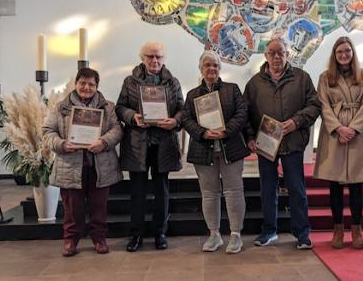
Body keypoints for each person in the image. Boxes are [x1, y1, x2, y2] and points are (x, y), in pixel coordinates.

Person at [244, 38, 321, 249]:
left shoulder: (302, 78)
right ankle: (269, 231)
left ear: (288, 54)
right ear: (266, 55)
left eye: (281, 52)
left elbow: (314, 105)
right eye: (272, 53)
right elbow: (245, 113)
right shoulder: (254, 83)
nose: (277, 57)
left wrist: (296, 122)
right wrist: (250, 137)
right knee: (267, 189)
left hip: (293, 141)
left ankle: (302, 233)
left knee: (297, 189)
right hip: (265, 144)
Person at [43, 67, 123, 257]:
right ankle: (70, 240)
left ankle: (99, 239)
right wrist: (62, 144)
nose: (86, 87)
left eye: (91, 84)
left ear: (97, 86)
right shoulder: (60, 107)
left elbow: (117, 130)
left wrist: (103, 142)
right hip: (70, 165)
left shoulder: (108, 107)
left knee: (99, 206)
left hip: (100, 165)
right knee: (72, 208)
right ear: (76, 84)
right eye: (83, 83)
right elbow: (47, 132)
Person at [115, 41, 184, 251]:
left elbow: (182, 109)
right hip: (138, 144)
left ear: (164, 59)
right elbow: (119, 108)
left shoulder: (173, 82)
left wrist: (175, 121)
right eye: (150, 56)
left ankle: (160, 233)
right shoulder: (130, 81)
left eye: (159, 57)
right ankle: (136, 234)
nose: (155, 60)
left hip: (163, 144)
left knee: (161, 191)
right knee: (137, 191)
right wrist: (132, 116)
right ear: (142, 58)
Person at [181, 51, 249, 253]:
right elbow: (186, 119)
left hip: (231, 147)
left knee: (234, 191)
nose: (212, 69)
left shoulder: (232, 89)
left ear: (220, 68)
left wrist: (225, 131)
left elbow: (242, 113)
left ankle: (236, 235)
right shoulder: (193, 95)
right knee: (209, 194)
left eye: (215, 66)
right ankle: (214, 234)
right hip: (204, 149)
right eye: (208, 65)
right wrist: (203, 133)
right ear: (201, 69)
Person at [313, 37, 363, 249]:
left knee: (357, 184)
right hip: (334, 134)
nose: (344, 54)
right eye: (340, 51)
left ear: (353, 53)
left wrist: (353, 128)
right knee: (335, 184)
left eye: (347, 51)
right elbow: (323, 105)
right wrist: (339, 128)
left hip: (358, 133)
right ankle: (338, 229)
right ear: (334, 54)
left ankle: (357, 230)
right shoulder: (325, 77)